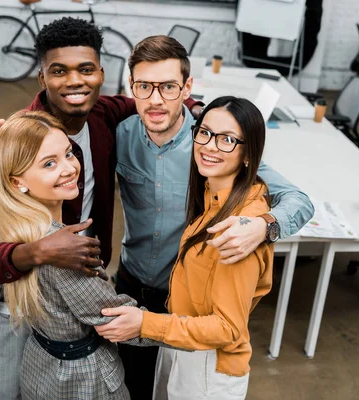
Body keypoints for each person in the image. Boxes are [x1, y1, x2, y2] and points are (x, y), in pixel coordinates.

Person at [0, 18, 201, 400]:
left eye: (86, 69)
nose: (74, 82)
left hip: (79, 301)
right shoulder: (8, 147)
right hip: (18, 308)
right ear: (42, 78)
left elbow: (153, 98)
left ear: (102, 74)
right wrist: (37, 251)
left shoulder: (102, 115)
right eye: (59, 71)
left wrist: (195, 106)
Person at [91, 36, 314, 399]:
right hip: (131, 283)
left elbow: (298, 200)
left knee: (185, 384)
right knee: (136, 385)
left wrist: (263, 226)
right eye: (144, 87)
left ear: (187, 87)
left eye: (168, 86)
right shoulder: (121, 135)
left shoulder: (212, 146)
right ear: (131, 88)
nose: (156, 99)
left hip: (186, 296)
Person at [0, 110, 162, 399]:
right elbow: (116, 319)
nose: (69, 168)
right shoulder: (63, 253)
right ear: (17, 182)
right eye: (49, 163)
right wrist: (193, 330)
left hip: (38, 368)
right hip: (85, 382)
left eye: (68, 154)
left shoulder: (6, 230)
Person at [102, 96, 274, 399]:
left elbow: (227, 328)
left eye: (227, 140)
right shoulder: (211, 195)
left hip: (208, 367)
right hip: (183, 346)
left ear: (249, 154)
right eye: (205, 132)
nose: (209, 146)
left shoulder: (238, 229)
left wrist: (145, 323)